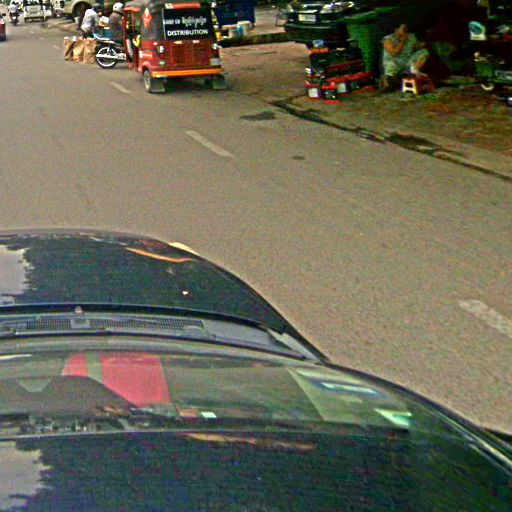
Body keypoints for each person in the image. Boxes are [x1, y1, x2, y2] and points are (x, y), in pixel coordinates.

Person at [382, 24, 429, 90]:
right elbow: (394, 53)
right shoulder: (388, 39)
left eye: (406, 29)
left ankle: (413, 70)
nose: (405, 30)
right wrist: (403, 41)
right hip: (395, 62)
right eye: (403, 29)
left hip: (408, 61)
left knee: (424, 52)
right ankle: (393, 79)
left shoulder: (411, 36)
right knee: (391, 71)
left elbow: (415, 47)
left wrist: (420, 45)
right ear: (396, 29)